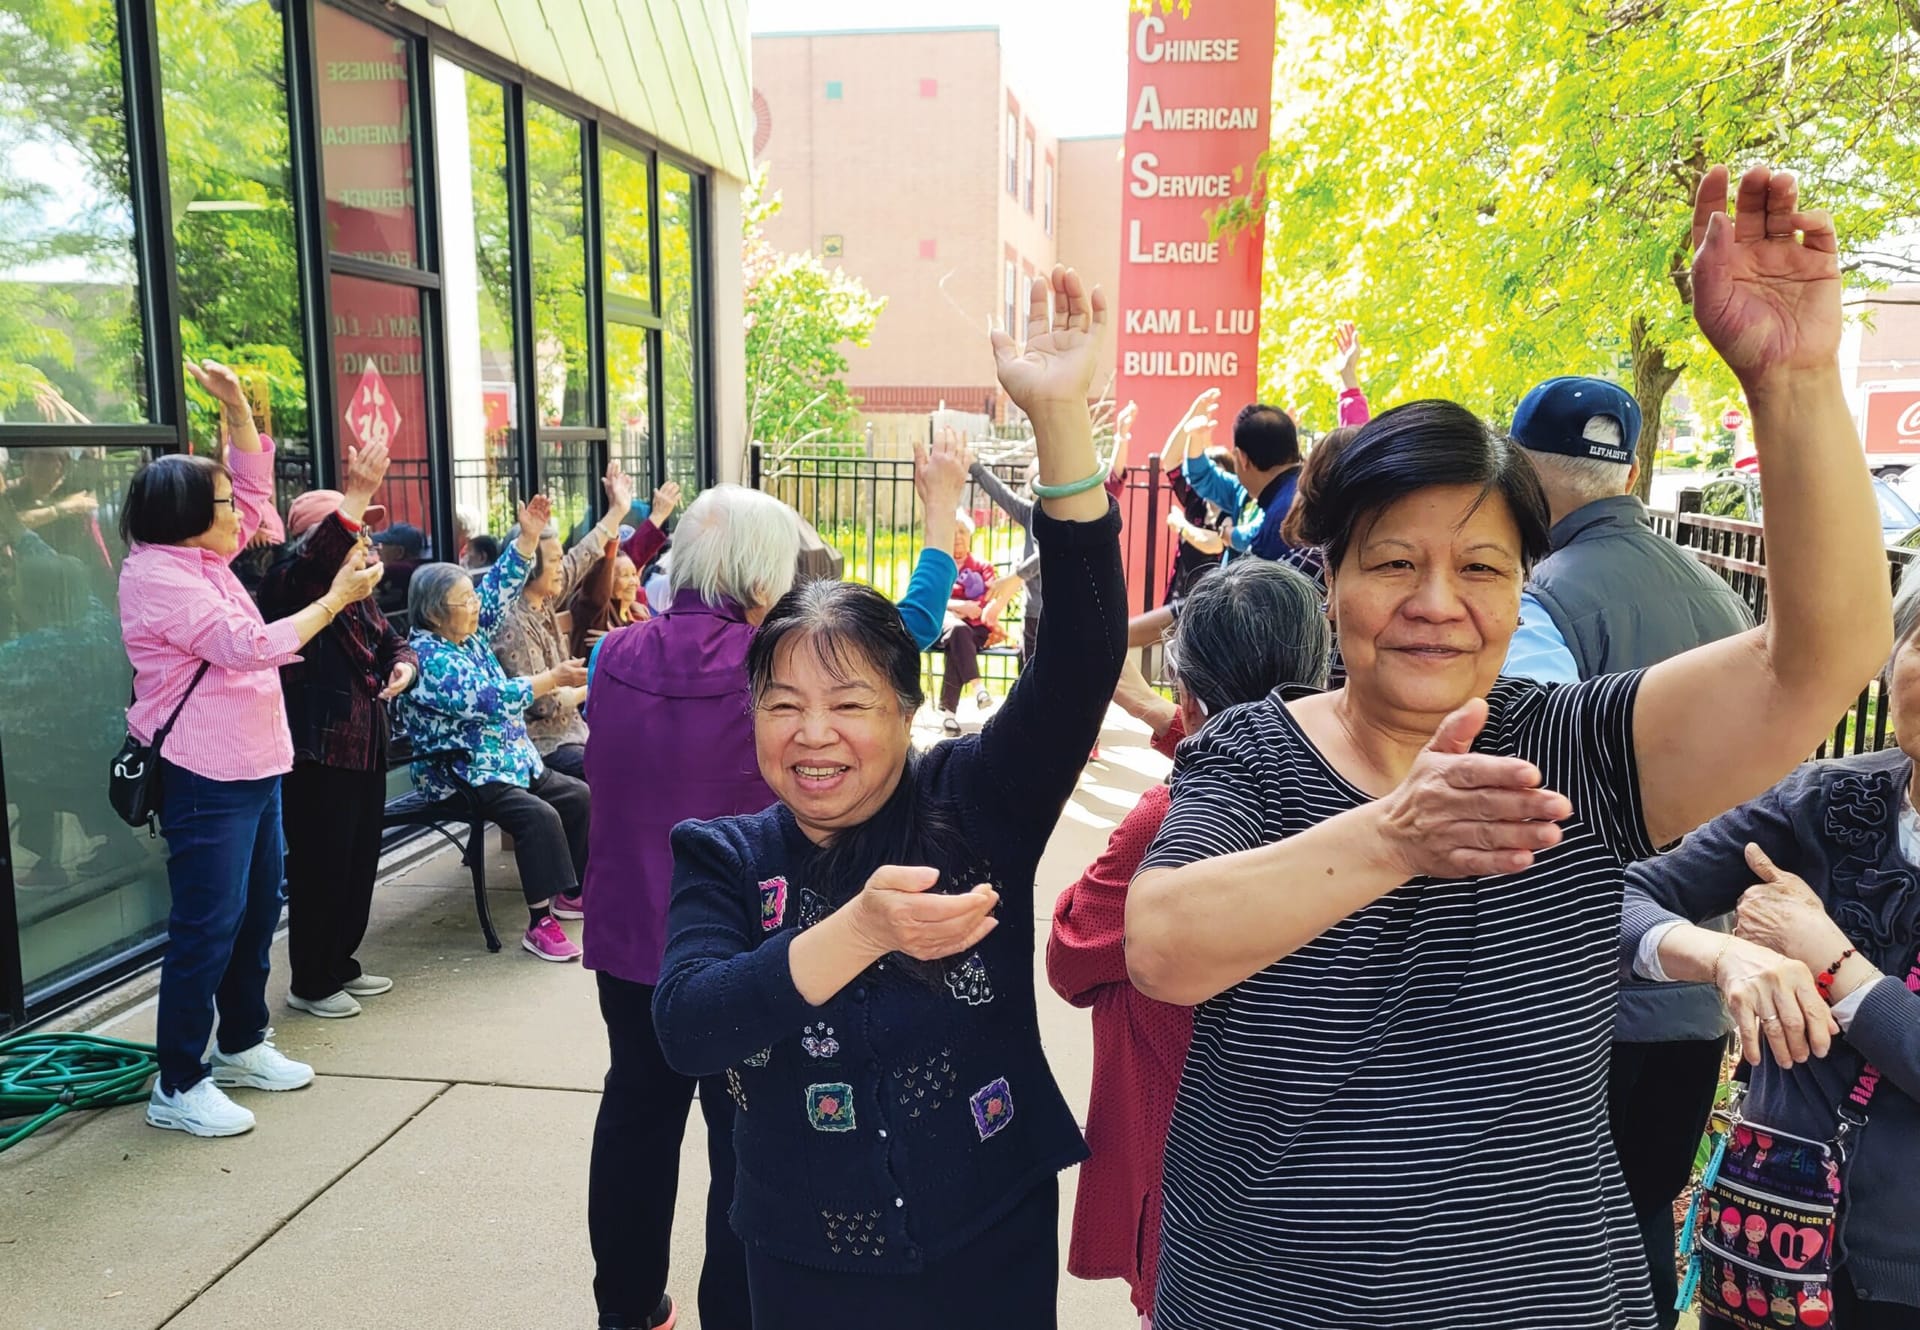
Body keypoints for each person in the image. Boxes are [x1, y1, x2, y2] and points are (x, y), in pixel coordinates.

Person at [1123, 166, 1893, 1330]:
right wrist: (1395, 834)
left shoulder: (1575, 746)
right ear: (1328, 585)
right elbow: (1165, 946)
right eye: (1394, 563)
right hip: (1271, 1299)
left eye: (1481, 567)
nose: (1439, 601)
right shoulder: (1251, 755)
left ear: (1524, 583)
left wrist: (1792, 381)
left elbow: (1819, 661)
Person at [652, 265, 1125, 1327]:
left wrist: (1058, 422)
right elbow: (688, 1024)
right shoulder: (724, 856)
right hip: (805, 1257)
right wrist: (861, 929)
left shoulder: (975, 801)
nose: (813, 734)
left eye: (849, 702)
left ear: (910, 707)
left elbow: (1088, 651)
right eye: (782, 704)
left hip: (988, 1230)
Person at [577, 433, 969, 1330]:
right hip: (744, 947)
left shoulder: (612, 660)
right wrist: (941, 514)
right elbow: (905, 631)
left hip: (630, 936)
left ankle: (626, 1307)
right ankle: (735, 1313)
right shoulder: (772, 670)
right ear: (765, 578)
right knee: (743, 1137)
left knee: (634, 1116)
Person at [1500, 372, 1756, 1325]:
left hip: (1576, 989)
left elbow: (1531, 791)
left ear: (1520, 472)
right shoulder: (1723, 599)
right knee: (1644, 1212)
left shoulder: (1539, 601)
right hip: (1700, 984)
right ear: (1634, 469)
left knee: (1560, 1242)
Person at [1620, 564, 1920, 1328]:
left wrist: (1835, 963)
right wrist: (1717, 955)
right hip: (1768, 1240)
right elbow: (1622, 894)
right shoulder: (1825, 801)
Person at [1047, 558, 1331, 1327]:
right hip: (1322, 1174)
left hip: (1193, 1158)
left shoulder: (1163, 824)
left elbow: (1072, 955)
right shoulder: (1359, 799)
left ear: (1190, 692)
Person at [121, 358, 384, 1137]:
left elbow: (256, 488)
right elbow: (245, 645)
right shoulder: (160, 579)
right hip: (205, 775)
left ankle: (242, 1043)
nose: (240, 513)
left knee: (255, 909)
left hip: (257, 763)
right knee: (207, 923)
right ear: (182, 516)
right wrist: (335, 601)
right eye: (222, 506)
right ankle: (179, 1081)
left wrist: (237, 409)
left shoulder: (202, 556)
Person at [254, 439, 418, 1021]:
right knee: (320, 867)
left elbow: (390, 637)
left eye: (367, 533)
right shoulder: (292, 582)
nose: (365, 542)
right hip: (317, 753)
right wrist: (357, 493)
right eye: (354, 532)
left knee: (356, 864)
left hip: (366, 746)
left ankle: (340, 961)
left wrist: (405, 663)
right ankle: (311, 980)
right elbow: (315, 563)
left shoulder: (357, 592)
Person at [393, 494, 592, 961]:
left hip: (508, 759)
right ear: (434, 613)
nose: (475, 607)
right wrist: (552, 678)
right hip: (462, 769)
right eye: (464, 602)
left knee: (577, 797)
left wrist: (527, 537)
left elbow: (500, 587)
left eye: (471, 597)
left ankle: (570, 892)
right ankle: (539, 923)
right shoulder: (429, 658)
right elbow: (487, 700)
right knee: (538, 817)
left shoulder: (467, 635)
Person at [493, 463, 679, 782]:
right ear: (527, 568)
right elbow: (544, 705)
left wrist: (617, 511)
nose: (561, 566)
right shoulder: (513, 620)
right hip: (544, 745)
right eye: (553, 561)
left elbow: (582, 555)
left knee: (654, 748)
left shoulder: (545, 598)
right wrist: (591, 681)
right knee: (624, 767)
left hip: (575, 732)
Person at [933, 510, 999, 734]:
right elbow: (931, 597)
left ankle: (949, 716)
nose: (958, 536)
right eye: (952, 532)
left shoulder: (982, 566)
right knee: (958, 631)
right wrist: (957, 607)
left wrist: (973, 607)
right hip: (944, 625)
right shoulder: (940, 566)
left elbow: (992, 594)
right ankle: (978, 687)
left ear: (970, 535)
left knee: (959, 638)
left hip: (974, 629)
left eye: (962, 531)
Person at [371, 521, 425, 616]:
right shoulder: (419, 567)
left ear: (399, 552)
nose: (379, 549)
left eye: (383, 545)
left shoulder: (397, 570)